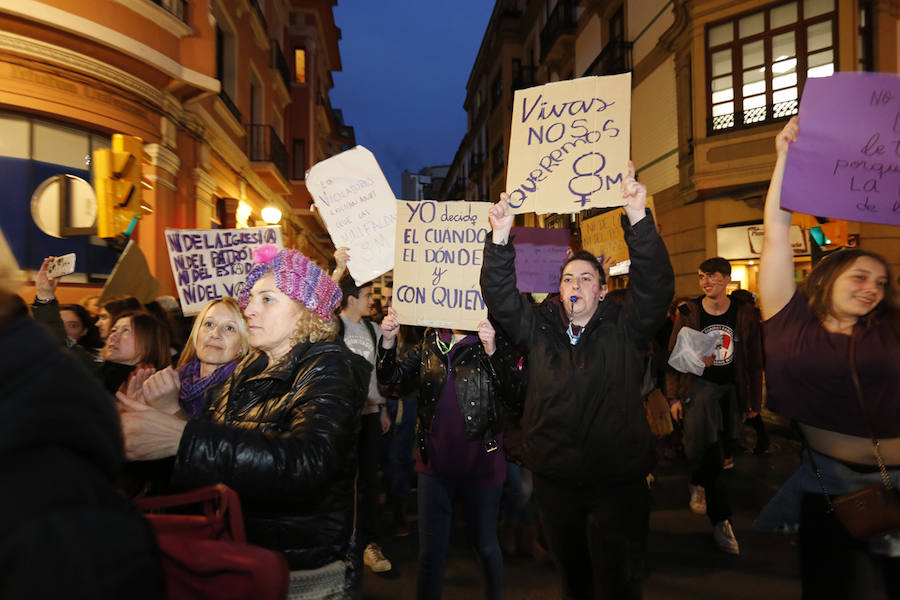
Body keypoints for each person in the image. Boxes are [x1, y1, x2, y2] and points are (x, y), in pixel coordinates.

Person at [118, 245, 370, 594]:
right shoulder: (244, 372)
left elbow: (308, 462)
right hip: (240, 561)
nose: (249, 309)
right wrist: (154, 423)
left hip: (299, 576)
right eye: (251, 298)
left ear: (307, 310)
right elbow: (208, 459)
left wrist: (180, 438)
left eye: (266, 299)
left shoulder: (329, 367)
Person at [480, 161, 674, 599]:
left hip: (618, 483)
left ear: (602, 291)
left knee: (620, 582)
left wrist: (639, 220)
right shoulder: (539, 329)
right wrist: (499, 238)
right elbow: (502, 297)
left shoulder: (626, 327)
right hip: (556, 480)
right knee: (575, 581)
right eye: (569, 278)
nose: (576, 285)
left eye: (587, 279)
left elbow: (656, 288)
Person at [756, 116, 900, 599]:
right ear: (826, 277)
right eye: (860, 277)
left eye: (880, 283)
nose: (872, 289)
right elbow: (776, 233)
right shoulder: (788, 321)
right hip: (830, 488)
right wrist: (785, 159)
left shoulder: (889, 330)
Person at [0, 257, 164, 599]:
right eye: (112, 328)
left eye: (125, 331)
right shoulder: (91, 371)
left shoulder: (153, 383)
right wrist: (45, 296)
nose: (114, 336)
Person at [377, 309, 517, 600]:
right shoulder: (431, 340)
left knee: (486, 545)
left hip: (482, 463)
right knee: (430, 552)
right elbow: (392, 376)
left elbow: (515, 393)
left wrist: (492, 351)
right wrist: (388, 342)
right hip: (434, 464)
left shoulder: (491, 338)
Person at [666, 256, 763, 555]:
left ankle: (699, 480)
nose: (707, 281)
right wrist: (674, 397)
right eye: (702, 277)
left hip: (732, 390)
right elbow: (674, 357)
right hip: (699, 389)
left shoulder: (744, 312)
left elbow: (754, 360)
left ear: (726, 279)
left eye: (713, 276)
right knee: (707, 449)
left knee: (723, 449)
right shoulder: (690, 311)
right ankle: (721, 519)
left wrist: (753, 402)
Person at [336, 269, 393, 574]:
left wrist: (382, 407)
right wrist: (336, 268)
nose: (372, 300)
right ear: (351, 299)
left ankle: (369, 543)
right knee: (343, 480)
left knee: (370, 481)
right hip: (341, 419)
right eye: (368, 295)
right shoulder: (335, 327)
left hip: (369, 414)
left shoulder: (371, 330)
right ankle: (343, 544)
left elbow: (375, 374)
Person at [102, 311, 171, 394]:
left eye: (126, 331)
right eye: (113, 330)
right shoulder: (94, 374)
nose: (113, 336)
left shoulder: (158, 387)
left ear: (149, 341)